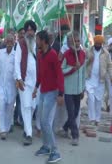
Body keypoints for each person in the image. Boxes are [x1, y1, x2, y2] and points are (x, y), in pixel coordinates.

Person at [33, 30, 64, 163]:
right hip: (43, 91)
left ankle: (55, 151)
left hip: (52, 92)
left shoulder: (52, 55)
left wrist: (61, 94)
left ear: (43, 41)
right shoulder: (40, 54)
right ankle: (46, 147)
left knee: (45, 121)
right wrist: (36, 87)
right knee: (40, 119)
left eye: (37, 39)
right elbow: (40, 73)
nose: (36, 42)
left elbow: (59, 75)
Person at [14, 20, 37, 146]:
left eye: (31, 30)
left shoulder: (38, 43)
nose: (29, 32)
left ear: (34, 31)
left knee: (33, 106)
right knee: (26, 106)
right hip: (24, 81)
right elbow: (17, 61)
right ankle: (29, 134)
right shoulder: (20, 43)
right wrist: (18, 78)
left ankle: (27, 128)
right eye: (27, 30)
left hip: (36, 83)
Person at [60, 31, 86, 146]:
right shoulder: (66, 54)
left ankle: (65, 128)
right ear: (70, 42)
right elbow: (61, 71)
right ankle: (75, 136)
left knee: (75, 112)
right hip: (68, 89)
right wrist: (72, 69)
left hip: (78, 89)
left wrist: (83, 88)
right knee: (71, 112)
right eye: (74, 41)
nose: (76, 43)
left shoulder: (83, 54)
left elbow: (83, 73)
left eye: (78, 41)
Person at [85, 35, 112, 126]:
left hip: (100, 80)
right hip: (89, 79)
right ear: (94, 43)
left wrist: (111, 75)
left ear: (102, 44)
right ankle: (91, 118)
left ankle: (97, 119)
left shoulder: (106, 53)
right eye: (96, 43)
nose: (98, 45)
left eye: (99, 44)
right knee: (91, 98)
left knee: (98, 100)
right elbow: (84, 63)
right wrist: (89, 60)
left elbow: (109, 65)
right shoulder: (88, 51)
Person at [0, 34, 16, 140]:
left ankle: (7, 127)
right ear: (5, 41)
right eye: (7, 40)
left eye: (11, 41)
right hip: (1, 85)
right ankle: (2, 129)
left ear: (14, 42)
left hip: (12, 86)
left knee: (9, 107)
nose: (9, 42)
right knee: (1, 105)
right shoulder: (0, 53)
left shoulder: (16, 55)